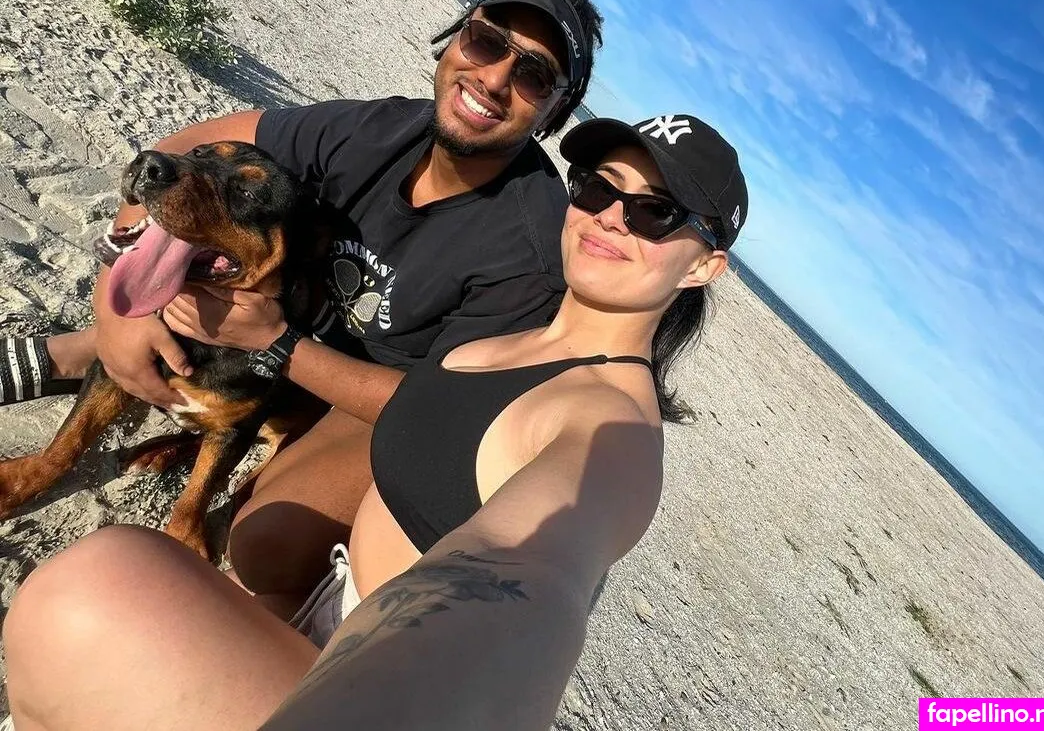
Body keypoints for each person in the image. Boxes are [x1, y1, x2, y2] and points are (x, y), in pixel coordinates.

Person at [3, 112, 749, 731]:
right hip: (316, 618)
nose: (612, 216)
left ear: (702, 266)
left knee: (90, 594)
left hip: (368, 681)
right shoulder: (506, 340)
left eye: (655, 212)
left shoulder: (612, 426)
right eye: (597, 187)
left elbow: (528, 579)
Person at [0, 0, 603, 615]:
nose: (494, 78)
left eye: (533, 74)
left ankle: (181, 407)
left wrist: (276, 344)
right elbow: (186, 148)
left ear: (554, 109)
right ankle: (89, 351)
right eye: (486, 40)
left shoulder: (528, 255)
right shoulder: (376, 130)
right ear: (457, 37)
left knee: (265, 541)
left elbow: (444, 415)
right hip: (281, 320)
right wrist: (117, 305)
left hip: (375, 395)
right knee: (156, 312)